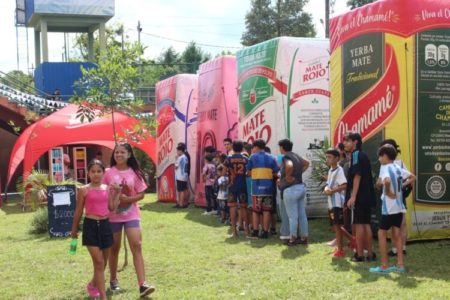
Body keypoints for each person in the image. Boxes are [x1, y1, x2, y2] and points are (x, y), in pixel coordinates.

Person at [103, 143, 155, 297]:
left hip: (132, 214)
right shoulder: (108, 173)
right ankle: (113, 280)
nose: (118, 155)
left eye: (122, 152)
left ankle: (142, 284)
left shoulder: (135, 173)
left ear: (129, 154)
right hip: (113, 216)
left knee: (136, 245)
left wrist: (128, 199)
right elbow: (102, 192)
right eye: (116, 152)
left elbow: (141, 194)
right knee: (114, 248)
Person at [71, 159, 121, 300]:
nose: (96, 174)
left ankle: (92, 285)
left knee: (103, 263)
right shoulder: (83, 190)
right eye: (93, 171)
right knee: (98, 262)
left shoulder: (108, 188)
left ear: (103, 173)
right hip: (90, 226)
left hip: (105, 226)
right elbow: (78, 211)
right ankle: (103, 296)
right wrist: (74, 229)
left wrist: (117, 193)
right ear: (88, 173)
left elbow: (112, 208)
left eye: (99, 171)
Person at [369, 145, 415, 274]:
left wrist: (388, 192)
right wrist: (401, 186)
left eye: (379, 156)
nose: (378, 159)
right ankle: (400, 265)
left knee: (381, 234)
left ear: (385, 156)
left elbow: (387, 181)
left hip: (389, 208)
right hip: (399, 206)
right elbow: (413, 177)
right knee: (397, 234)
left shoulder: (385, 168)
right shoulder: (397, 167)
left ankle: (384, 266)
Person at [344, 132, 376, 262]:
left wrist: (353, 196)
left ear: (355, 142)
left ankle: (360, 254)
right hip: (367, 194)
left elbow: (357, 176)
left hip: (360, 195)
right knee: (366, 223)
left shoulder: (356, 155)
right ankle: (370, 253)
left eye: (347, 141)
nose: (345, 144)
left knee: (359, 224)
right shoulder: (363, 155)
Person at [379, 139, 411, 257]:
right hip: (398, 198)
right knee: (399, 225)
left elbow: (384, 181)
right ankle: (399, 251)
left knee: (394, 227)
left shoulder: (388, 166)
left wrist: (390, 190)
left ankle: (397, 250)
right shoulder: (396, 164)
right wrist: (400, 186)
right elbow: (411, 177)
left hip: (393, 199)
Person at [278, 139, 309, 246]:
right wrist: (298, 173)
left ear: (282, 147)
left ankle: (292, 238)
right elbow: (306, 163)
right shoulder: (295, 155)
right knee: (302, 215)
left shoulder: (286, 157)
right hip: (300, 187)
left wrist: (287, 177)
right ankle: (304, 238)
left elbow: (289, 165)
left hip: (290, 189)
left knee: (292, 216)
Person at [247, 139, 279, 239]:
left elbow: (248, 172)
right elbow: (276, 173)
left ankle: (255, 231)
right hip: (268, 188)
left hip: (256, 188)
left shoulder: (252, 157)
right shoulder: (272, 157)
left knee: (256, 211)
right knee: (266, 210)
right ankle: (265, 232)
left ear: (256, 147)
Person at [324, 149, 348, 257]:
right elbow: (328, 184)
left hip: (337, 202)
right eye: (326, 157)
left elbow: (344, 185)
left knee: (337, 226)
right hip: (331, 202)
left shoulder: (339, 170)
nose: (327, 159)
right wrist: (326, 189)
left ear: (337, 158)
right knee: (335, 226)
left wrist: (332, 191)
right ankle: (351, 240)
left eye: (329, 157)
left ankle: (340, 250)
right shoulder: (330, 170)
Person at [226, 140, 249, 237]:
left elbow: (224, 171)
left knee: (232, 206)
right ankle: (247, 230)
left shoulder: (228, 158)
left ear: (233, 147)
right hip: (243, 185)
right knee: (243, 207)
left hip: (232, 185)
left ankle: (234, 231)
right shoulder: (245, 159)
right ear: (242, 148)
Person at [174, 143, 190, 209]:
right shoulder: (186, 157)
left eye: (177, 150)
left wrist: (176, 159)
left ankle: (180, 204)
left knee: (181, 190)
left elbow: (176, 167)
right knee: (184, 189)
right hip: (184, 176)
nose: (177, 152)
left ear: (181, 150)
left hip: (180, 176)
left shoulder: (180, 158)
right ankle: (184, 203)